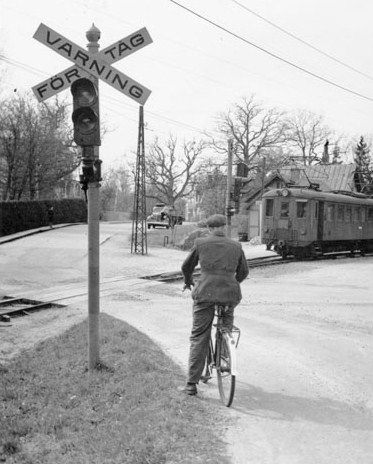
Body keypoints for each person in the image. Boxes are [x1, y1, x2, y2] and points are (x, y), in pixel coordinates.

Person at [181, 213, 249, 395]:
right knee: (226, 326)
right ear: (224, 227)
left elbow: (186, 267)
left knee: (199, 336)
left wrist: (189, 281)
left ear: (209, 228)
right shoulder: (236, 245)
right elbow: (243, 272)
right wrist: (231, 283)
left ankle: (191, 384)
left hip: (205, 293)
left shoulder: (201, 243)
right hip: (229, 294)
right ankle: (224, 355)